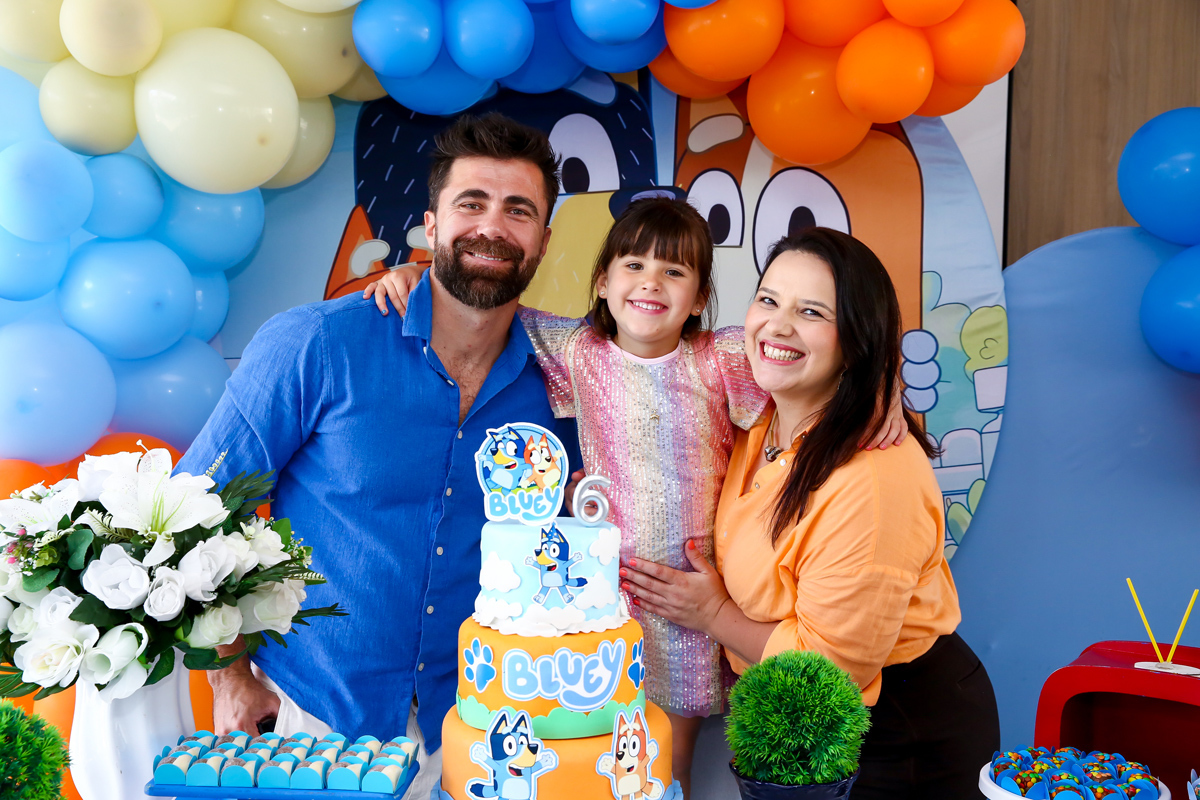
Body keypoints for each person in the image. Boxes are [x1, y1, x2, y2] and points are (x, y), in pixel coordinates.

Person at [364, 200, 908, 797]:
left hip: (694, 601)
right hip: (603, 597)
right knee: (594, 752)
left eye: (674, 271)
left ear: (699, 298)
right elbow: (488, 307)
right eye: (633, 265)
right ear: (603, 282)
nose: (651, 282)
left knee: (663, 765)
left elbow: (826, 371)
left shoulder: (721, 358)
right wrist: (420, 275)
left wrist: (884, 382)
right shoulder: (576, 349)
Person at [175, 112, 578, 800]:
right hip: (312, 719)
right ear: (431, 224)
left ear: (544, 238)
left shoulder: (571, 374)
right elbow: (195, 512)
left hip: (482, 729)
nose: (493, 227)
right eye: (471, 204)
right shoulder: (317, 344)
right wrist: (230, 676)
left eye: (519, 210)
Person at [619, 228, 1000, 799]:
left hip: (893, 734)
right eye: (768, 300)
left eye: (812, 312)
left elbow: (832, 671)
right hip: (791, 716)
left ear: (857, 338)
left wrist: (713, 613)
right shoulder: (760, 413)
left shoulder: (872, 476)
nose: (777, 326)